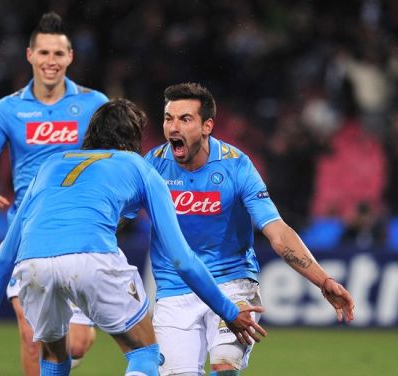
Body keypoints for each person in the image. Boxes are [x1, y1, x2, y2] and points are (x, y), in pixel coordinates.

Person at [0, 99, 267, 376]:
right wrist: (228, 311)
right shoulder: (138, 166)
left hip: (31, 265)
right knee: (144, 353)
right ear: (133, 137)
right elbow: (181, 258)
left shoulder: (50, 164)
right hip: (93, 257)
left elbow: (7, 254)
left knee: (54, 355)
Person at [144, 83, 355, 375]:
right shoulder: (151, 166)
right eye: (169, 118)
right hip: (174, 288)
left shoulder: (236, 166)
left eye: (185, 119)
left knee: (224, 365)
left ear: (207, 126)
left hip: (232, 283)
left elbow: (277, 232)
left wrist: (323, 280)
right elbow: (118, 215)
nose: (173, 127)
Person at [0, 11, 108, 374]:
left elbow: (118, 160)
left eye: (58, 54)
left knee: (75, 343)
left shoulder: (94, 104)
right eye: (43, 53)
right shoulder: (8, 110)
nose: (50, 62)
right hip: (29, 232)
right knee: (32, 337)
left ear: (70, 57)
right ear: (29, 55)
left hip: (82, 233)